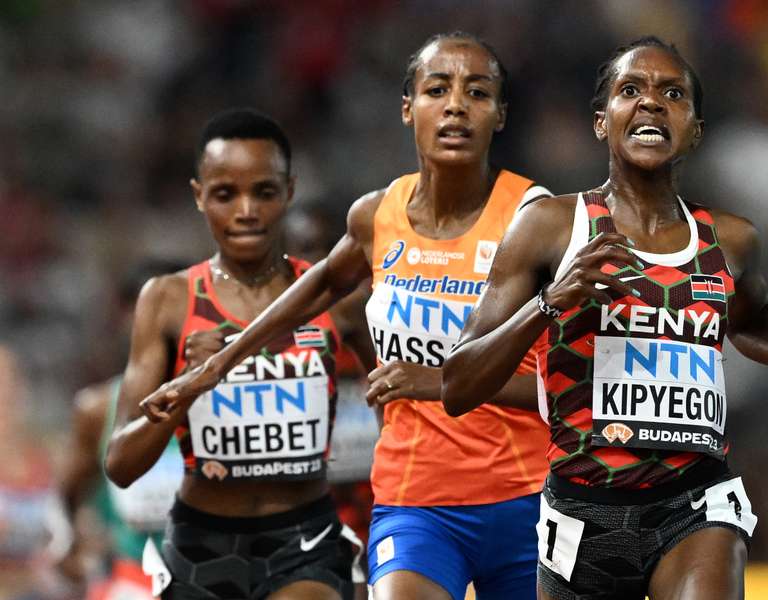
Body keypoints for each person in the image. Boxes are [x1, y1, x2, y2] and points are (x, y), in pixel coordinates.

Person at [139, 32, 553, 600]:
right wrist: (218, 365)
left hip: (524, 496)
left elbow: (571, 386)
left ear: (499, 114)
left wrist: (434, 382)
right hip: (415, 501)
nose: (456, 104)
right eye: (437, 89)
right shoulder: (377, 216)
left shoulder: (537, 221)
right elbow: (319, 285)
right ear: (408, 108)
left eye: (477, 93)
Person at [442, 36, 768, 600]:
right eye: (631, 90)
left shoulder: (730, 240)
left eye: (672, 93)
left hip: (696, 503)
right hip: (583, 512)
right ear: (602, 121)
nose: (651, 102)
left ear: (695, 129)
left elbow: (750, 317)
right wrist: (550, 302)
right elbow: (458, 383)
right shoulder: (550, 227)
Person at [105, 108, 367, 600]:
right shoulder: (167, 300)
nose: (246, 210)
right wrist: (186, 382)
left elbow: (403, 413)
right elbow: (121, 463)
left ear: (289, 191)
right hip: (200, 545)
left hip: (307, 539)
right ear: (199, 196)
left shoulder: (332, 295)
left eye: (264, 192)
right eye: (226, 194)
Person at [51, 260, 185, 600]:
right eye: (149, 310)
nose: (163, 323)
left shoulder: (226, 401)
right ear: (126, 317)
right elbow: (68, 493)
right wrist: (68, 542)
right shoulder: (98, 410)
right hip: (134, 581)